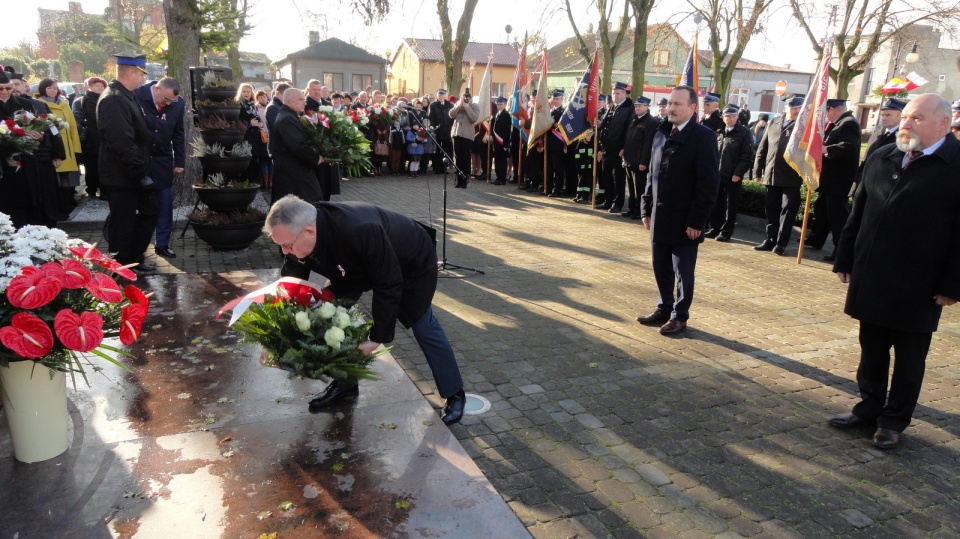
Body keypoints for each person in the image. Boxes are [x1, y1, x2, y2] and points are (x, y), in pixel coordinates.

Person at [265, 195, 467, 425]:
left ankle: (454, 393)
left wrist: (376, 338)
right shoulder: (303, 231)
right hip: (356, 264)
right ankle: (346, 382)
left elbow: (388, 284)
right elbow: (292, 276)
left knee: (422, 324)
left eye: (287, 245)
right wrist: (281, 324)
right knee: (328, 314)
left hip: (409, 262)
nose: (285, 251)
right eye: (279, 245)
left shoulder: (360, 229)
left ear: (309, 231)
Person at [829, 93, 960, 450]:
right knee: (871, 348)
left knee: (909, 356)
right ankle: (868, 407)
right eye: (905, 117)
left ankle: (894, 420)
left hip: (920, 283)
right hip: (873, 273)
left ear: (943, 124)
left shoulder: (955, 165)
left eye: (916, 118)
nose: (906, 124)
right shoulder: (884, 156)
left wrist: (953, 284)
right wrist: (844, 258)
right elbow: (858, 213)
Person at [637, 86, 720, 336]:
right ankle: (664, 306)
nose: (671, 108)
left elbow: (708, 184)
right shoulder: (661, 132)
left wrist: (697, 221)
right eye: (670, 103)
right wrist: (645, 207)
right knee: (659, 266)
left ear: (693, 108)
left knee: (682, 271)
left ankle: (679, 316)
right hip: (659, 216)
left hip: (686, 220)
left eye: (678, 104)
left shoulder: (703, 137)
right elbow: (653, 174)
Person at [97, 53, 158, 273]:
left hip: (130, 172)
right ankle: (121, 263)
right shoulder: (113, 98)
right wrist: (139, 173)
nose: (143, 80)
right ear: (130, 72)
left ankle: (133, 256)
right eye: (141, 75)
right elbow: (121, 141)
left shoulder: (125, 96)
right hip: (122, 174)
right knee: (122, 221)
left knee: (150, 211)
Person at [133, 77, 185, 260]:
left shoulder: (178, 105)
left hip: (162, 161)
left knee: (164, 205)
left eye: (172, 102)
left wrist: (179, 161)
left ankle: (162, 244)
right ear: (156, 89)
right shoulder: (135, 96)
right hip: (139, 161)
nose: (168, 104)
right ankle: (135, 248)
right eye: (166, 100)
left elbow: (178, 133)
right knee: (140, 207)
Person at [805, 99, 861, 262]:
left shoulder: (848, 123)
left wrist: (826, 149)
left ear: (834, 109)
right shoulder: (838, 123)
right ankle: (816, 239)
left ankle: (840, 249)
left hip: (838, 180)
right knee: (822, 210)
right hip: (828, 178)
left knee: (837, 216)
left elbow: (849, 147)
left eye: (826, 111)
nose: (825, 115)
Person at [753, 95, 804, 256]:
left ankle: (781, 243)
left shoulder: (803, 126)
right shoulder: (773, 122)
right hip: (772, 174)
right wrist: (757, 171)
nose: (796, 111)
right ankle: (770, 239)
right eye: (793, 107)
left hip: (791, 177)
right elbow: (762, 148)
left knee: (787, 212)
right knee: (771, 210)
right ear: (786, 108)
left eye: (798, 108)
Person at [705, 104, 754, 241]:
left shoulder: (744, 132)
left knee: (730, 205)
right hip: (718, 174)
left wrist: (738, 173)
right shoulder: (719, 132)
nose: (731, 118)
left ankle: (726, 231)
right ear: (723, 118)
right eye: (728, 116)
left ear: (737, 117)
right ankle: (715, 228)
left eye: (734, 116)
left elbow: (747, 155)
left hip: (733, 176)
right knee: (716, 202)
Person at [37, 78, 83, 218]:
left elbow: (73, 126)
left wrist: (76, 148)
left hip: (67, 147)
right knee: (57, 180)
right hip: (54, 148)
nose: (53, 90)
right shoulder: (39, 104)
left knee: (69, 178)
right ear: (43, 89)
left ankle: (68, 201)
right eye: (49, 88)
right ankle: (61, 204)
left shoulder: (63, 104)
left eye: (55, 88)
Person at [269, 88, 325, 203]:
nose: (305, 103)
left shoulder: (290, 116)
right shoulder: (287, 119)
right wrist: (316, 158)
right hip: (293, 176)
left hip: (295, 173)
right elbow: (298, 146)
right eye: (300, 100)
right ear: (289, 101)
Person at [852, 98, 904, 195]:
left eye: (888, 115)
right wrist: (857, 185)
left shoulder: (903, 137)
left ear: (900, 116)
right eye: (882, 115)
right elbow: (865, 160)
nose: (883, 118)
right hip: (866, 184)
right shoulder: (876, 135)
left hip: (884, 189)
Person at [597, 81, 633, 212]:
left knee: (618, 177)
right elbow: (607, 126)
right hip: (607, 148)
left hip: (618, 149)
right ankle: (608, 200)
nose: (615, 96)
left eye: (618, 93)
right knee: (606, 176)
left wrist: (625, 148)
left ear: (624, 94)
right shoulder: (612, 107)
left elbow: (629, 131)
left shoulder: (629, 109)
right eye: (613, 93)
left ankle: (618, 203)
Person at [621, 96, 658, 219]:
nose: (637, 108)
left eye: (640, 106)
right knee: (631, 186)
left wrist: (643, 162)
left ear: (646, 107)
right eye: (636, 106)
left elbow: (648, 143)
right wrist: (624, 150)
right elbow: (628, 138)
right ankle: (632, 208)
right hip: (629, 159)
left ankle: (639, 210)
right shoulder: (633, 119)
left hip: (639, 161)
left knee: (640, 188)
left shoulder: (651, 122)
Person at [72, 76, 107, 199]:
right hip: (90, 139)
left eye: (102, 86)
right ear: (90, 87)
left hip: (101, 137)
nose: (99, 88)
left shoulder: (105, 99)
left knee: (102, 165)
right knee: (91, 166)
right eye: (97, 85)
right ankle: (92, 189)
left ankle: (103, 189)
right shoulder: (85, 100)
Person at [449, 88, 479, 188]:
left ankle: (465, 179)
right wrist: (458, 105)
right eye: (464, 98)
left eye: (467, 98)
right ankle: (458, 179)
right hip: (456, 133)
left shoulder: (474, 106)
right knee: (457, 158)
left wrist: (467, 107)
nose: (466, 99)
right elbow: (451, 114)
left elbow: (474, 118)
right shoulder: (457, 105)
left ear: (471, 99)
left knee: (465, 158)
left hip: (467, 135)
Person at [428, 89, 454, 175]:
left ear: (445, 96)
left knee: (445, 151)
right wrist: (433, 128)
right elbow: (430, 117)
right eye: (439, 95)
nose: (441, 97)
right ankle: (436, 168)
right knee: (437, 150)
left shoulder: (449, 105)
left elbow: (452, 118)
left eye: (442, 95)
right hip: (437, 132)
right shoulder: (433, 105)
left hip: (447, 132)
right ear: (437, 96)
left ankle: (444, 168)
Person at [490, 96, 512, 185]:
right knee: (497, 160)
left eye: (501, 104)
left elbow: (507, 131)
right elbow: (493, 126)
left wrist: (506, 144)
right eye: (498, 104)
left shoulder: (506, 115)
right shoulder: (497, 114)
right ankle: (498, 177)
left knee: (502, 161)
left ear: (505, 105)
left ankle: (502, 179)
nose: (499, 106)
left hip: (502, 142)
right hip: (496, 141)